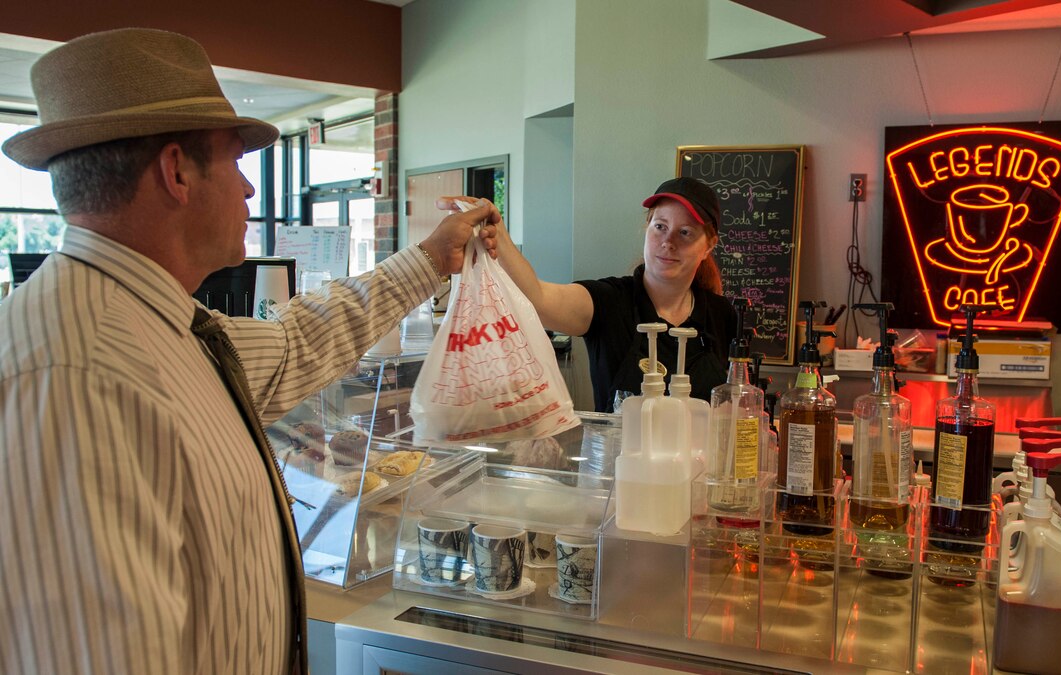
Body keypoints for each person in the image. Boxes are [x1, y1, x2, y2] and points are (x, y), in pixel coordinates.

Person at [0, 28, 498, 675]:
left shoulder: (163, 325)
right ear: (176, 171)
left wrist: (432, 258)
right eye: (235, 161)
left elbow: (294, 343)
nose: (249, 190)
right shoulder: (77, 371)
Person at [442, 177, 737, 413]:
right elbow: (539, 298)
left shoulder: (722, 314)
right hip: (618, 478)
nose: (668, 242)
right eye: (660, 227)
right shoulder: (609, 301)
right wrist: (499, 233)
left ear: (709, 244)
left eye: (685, 232)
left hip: (700, 478)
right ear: (646, 228)